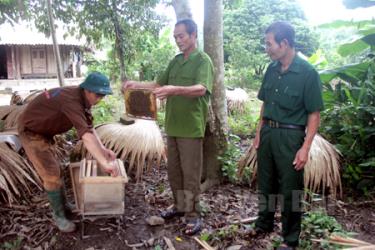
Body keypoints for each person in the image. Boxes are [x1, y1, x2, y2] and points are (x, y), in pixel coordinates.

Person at [122, 19, 213, 235]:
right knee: (174, 172)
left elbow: (201, 89)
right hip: (172, 126)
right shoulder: (175, 61)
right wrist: (136, 85)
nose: (178, 40)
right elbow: (157, 85)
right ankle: (180, 207)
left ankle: (193, 215)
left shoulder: (203, 60)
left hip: (191, 128)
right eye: (175, 37)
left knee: (190, 174)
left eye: (181, 36)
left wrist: (174, 90)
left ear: (193, 35)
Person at [251, 22, 324, 249]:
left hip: (291, 137)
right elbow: (264, 105)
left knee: (290, 189)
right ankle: (264, 223)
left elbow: (314, 114)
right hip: (268, 133)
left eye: (269, 43)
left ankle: (290, 239)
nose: (267, 48)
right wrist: (258, 133)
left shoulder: (307, 73)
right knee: (265, 182)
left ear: (284, 43)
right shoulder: (271, 69)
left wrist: (305, 147)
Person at [18, 72, 120, 233]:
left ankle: (64, 206)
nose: (100, 99)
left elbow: (90, 129)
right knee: (51, 175)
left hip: (44, 132)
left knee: (56, 171)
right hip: (31, 131)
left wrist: (103, 150)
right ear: (87, 90)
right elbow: (85, 137)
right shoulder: (71, 100)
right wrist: (103, 163)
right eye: (98, 94)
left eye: (103, 95)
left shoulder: (82, 100)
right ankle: (58, 216)